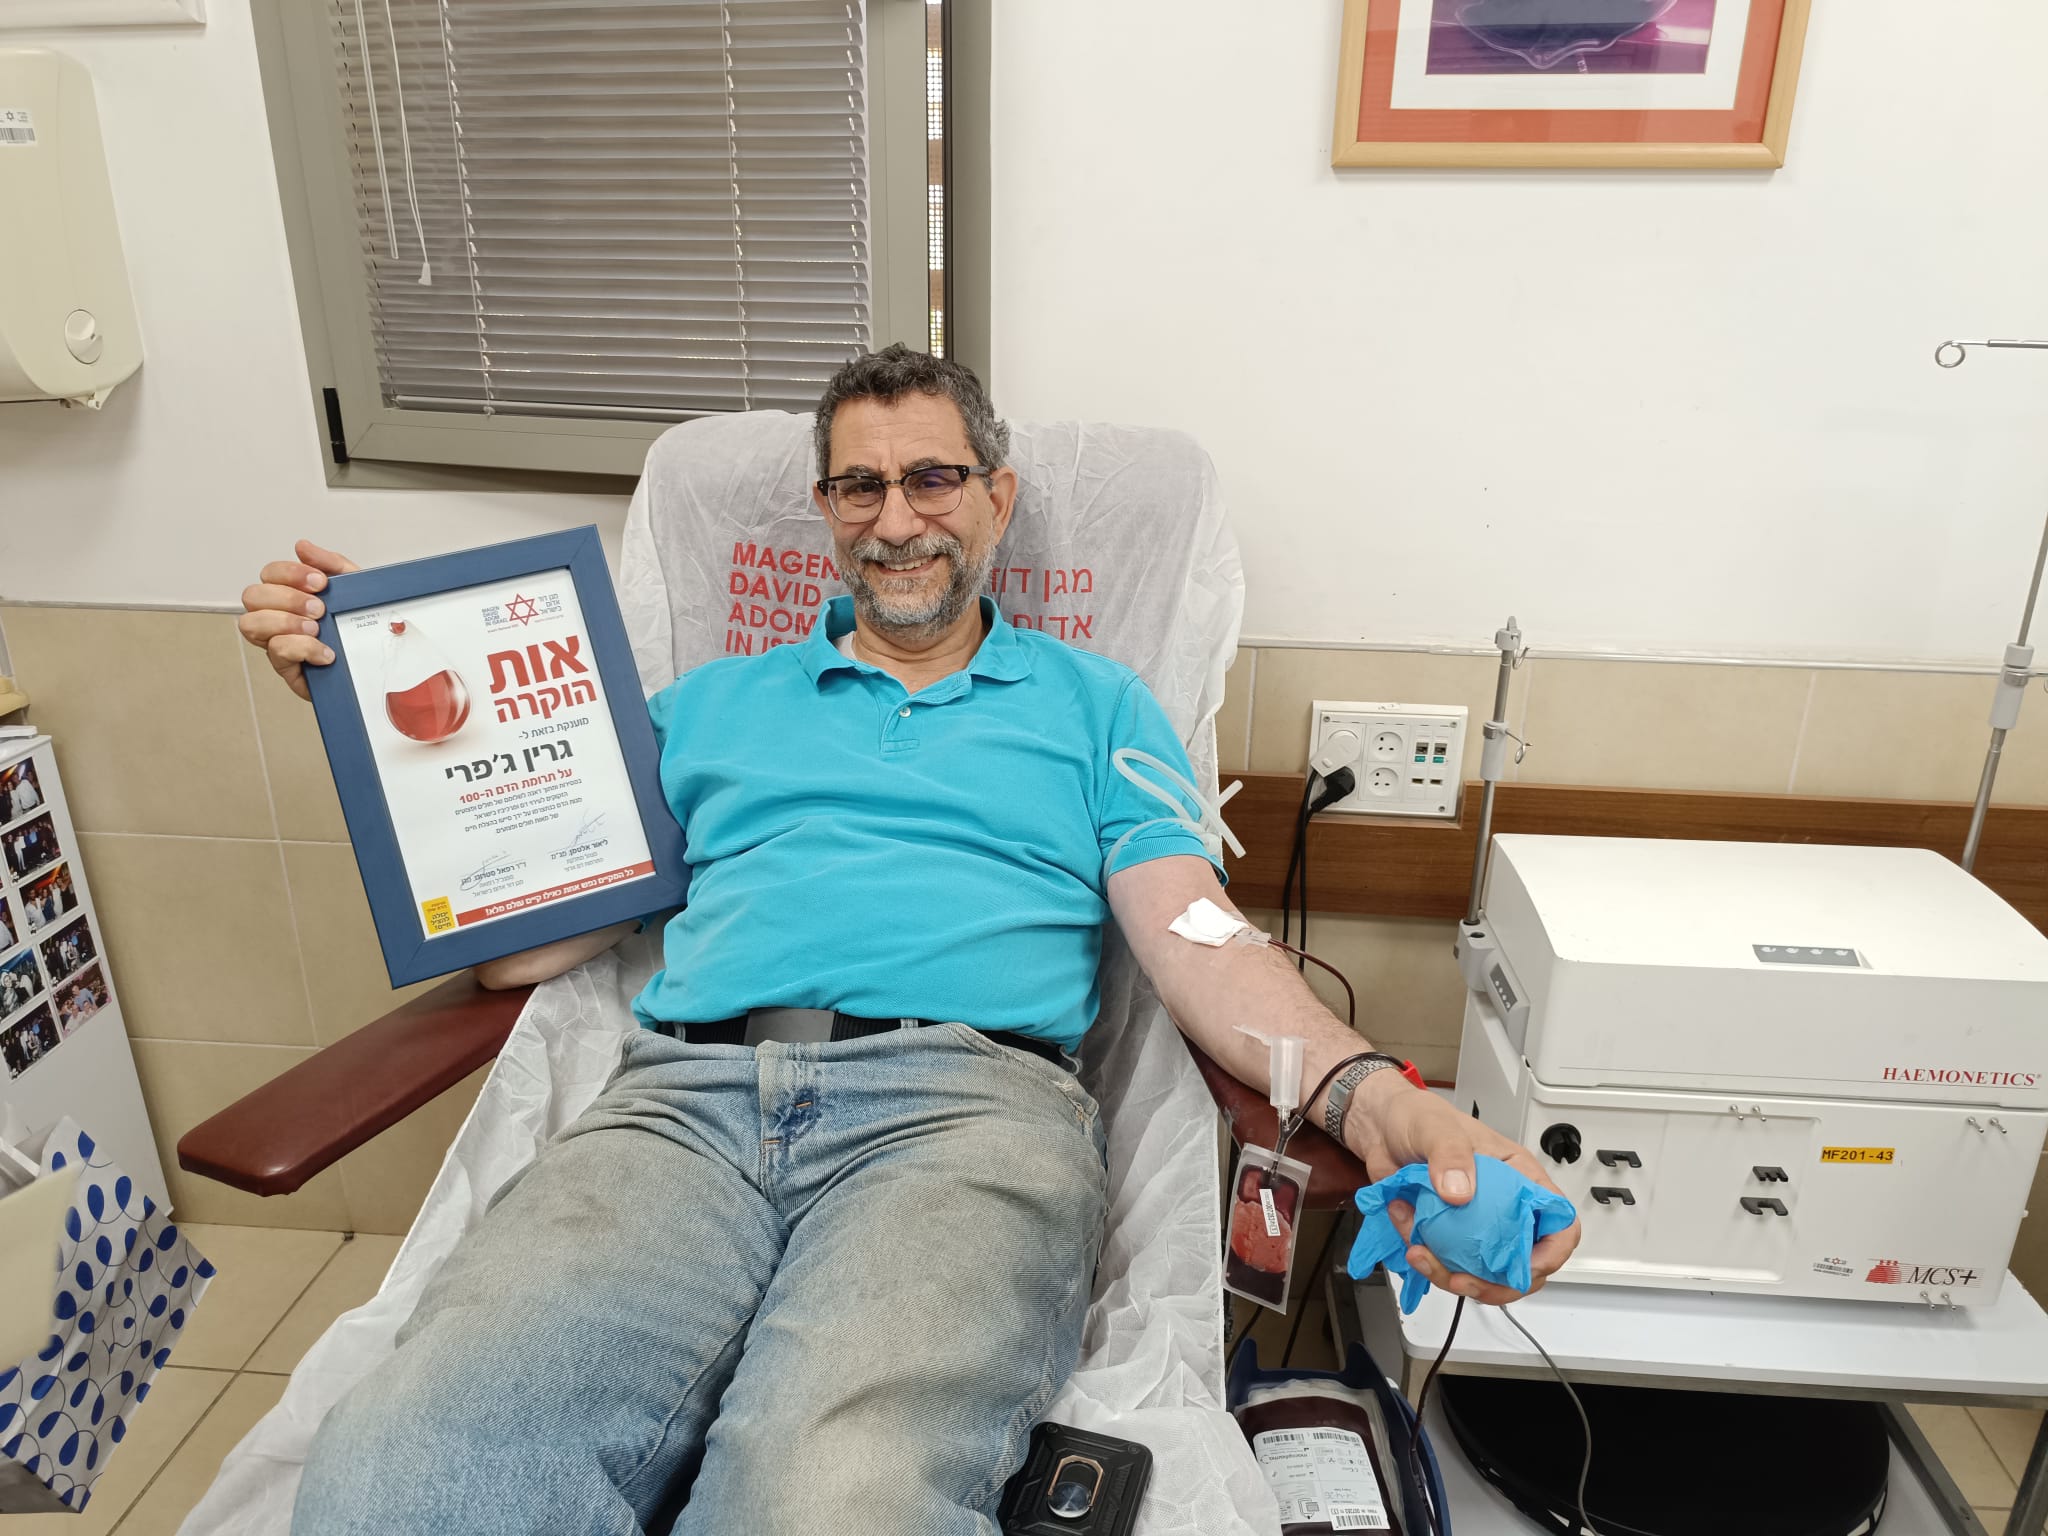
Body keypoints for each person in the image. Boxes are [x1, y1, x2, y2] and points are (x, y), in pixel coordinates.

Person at [240, 346, 1580, 1535]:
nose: (897, 520)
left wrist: (1378, 1103)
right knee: (404, 1466)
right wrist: (371, 700)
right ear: (826, 511)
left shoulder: (1095, 706)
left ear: (996, 498)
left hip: (962, 1121)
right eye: (860, 487)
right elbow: (520, 953)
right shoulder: (704, 708)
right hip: (679, 1115)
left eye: (933, 479)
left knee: (825, 1499)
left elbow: (1195, 929)